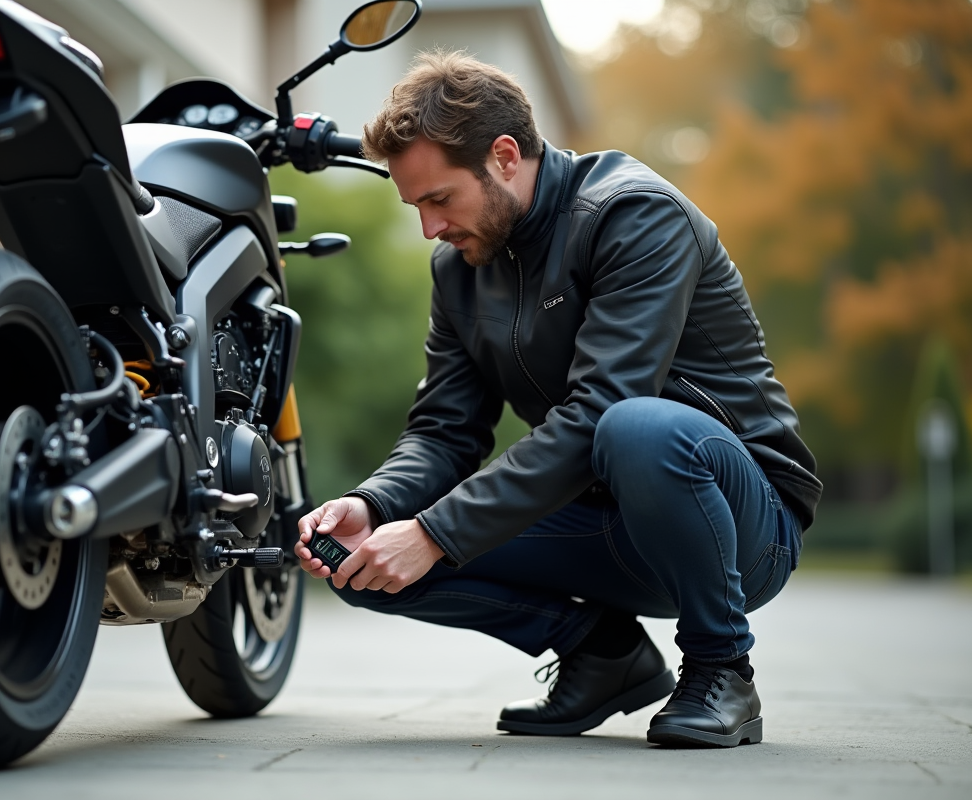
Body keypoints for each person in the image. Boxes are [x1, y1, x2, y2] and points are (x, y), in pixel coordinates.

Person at [294, 50, 821, 748]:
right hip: (599, 519)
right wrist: (376, 505)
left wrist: (433, 534)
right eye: (416, 206)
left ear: (505, 155)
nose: (430, 228)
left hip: (739, 520)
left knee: (635, 428)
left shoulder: (632, 215)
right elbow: (445, 431)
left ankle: (722, 671)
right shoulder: (460, 269)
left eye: (439, 199)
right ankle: (602, 654)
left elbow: (601, 410)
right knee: (357, 559)